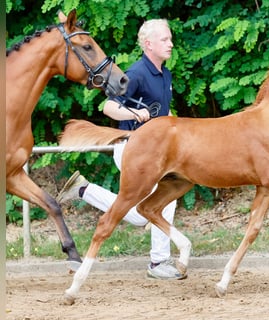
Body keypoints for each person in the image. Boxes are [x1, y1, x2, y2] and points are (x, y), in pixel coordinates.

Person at [57, 19, 185, 280]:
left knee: (159, 204)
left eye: (170, 39)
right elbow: (107, 107)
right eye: (165, 40)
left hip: (158, 154)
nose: (170, 44)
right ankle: (158, 262)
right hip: (133, 150)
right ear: (149, 44)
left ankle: (84, 189)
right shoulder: (137, 73)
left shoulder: (165, 73)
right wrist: (135, 111)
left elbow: (164, 113)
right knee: (148, 210)